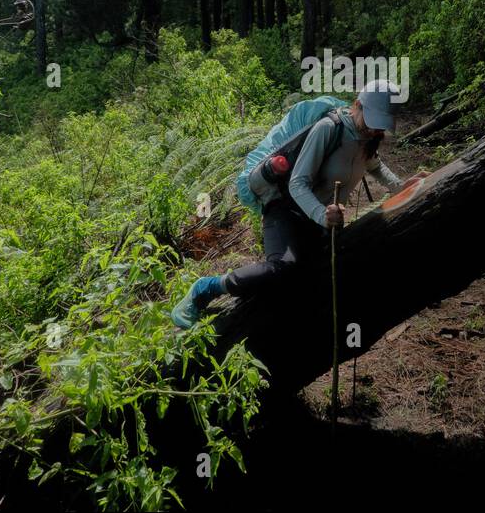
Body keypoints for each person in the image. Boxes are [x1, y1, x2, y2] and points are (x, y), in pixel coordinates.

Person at [171, 79, 425, 328]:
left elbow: (374, 165)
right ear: (358, 105)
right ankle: (206, 288)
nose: (375, 130)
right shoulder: (329, 128)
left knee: (317, 276)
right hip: (287, 210)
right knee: (283, 267)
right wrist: (321, 215)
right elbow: (297, 183)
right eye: (372, 121)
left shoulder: (367, 138)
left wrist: (400, 186)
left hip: (320, 220)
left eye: (381, 125)